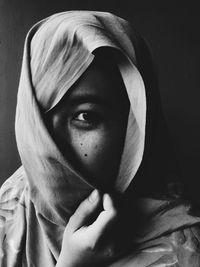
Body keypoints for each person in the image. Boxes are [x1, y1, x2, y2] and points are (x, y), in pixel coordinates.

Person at [1, 10, 200, 267]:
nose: (50, 146)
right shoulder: (14, 198)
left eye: (85, 116)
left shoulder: (183, 253)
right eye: (38, 121)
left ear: (133, 128)